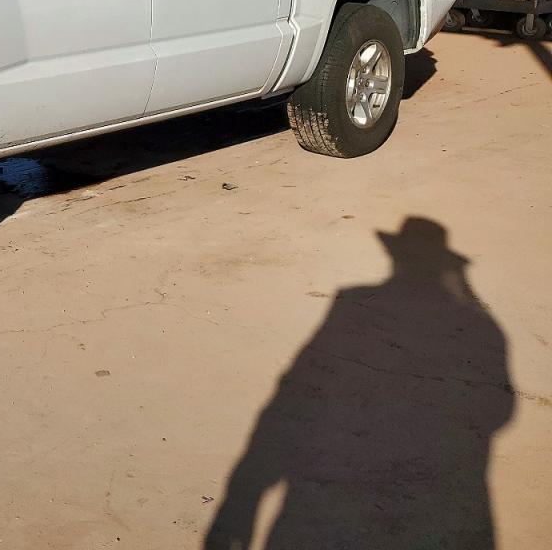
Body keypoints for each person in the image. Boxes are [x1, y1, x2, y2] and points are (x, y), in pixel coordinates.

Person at [205, 218, 514, 550]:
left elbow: (296, 385)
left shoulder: (353, 301)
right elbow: (499, 411)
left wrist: (245, 495)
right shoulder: (479, 323)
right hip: (434, 492)